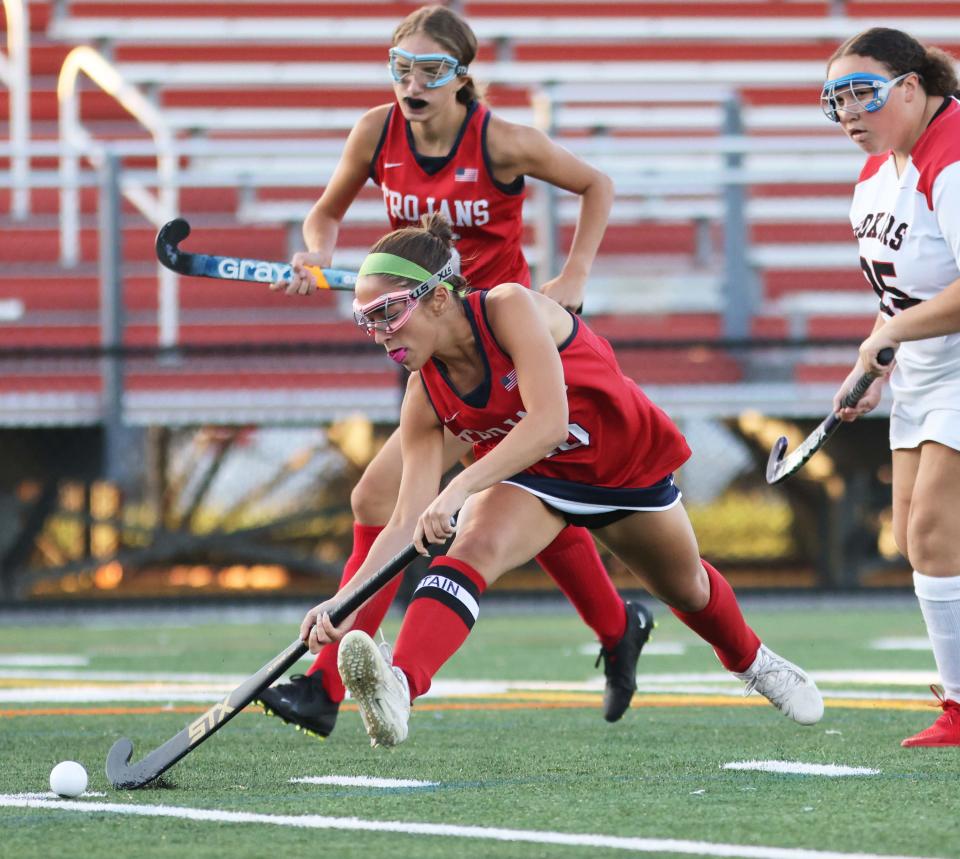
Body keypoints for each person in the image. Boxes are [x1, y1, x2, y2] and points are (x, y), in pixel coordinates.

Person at [257, 5, 647, 739]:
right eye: (400, 67)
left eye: (431, 69)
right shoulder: (376, 132)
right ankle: (616, 625)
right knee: (521, 497)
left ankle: (325, 682)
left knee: (385, 495)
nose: (413, 83)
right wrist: (314, 251)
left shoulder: (501, 140)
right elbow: (325, 214)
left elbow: (596, 184)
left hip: (496, 347)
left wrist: (574, 275)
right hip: (424, 342)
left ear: (463, 77)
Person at [299, 214, 824, 748]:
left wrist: (457, 488)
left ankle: (753, 662)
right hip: (535, 476)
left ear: (436, 298)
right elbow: (405, 520)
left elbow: (549, 422)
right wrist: (342, 603)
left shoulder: (508, 307)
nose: (380, 333)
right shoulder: (423, 393)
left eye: (388, 313)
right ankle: (401, 688)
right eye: (367, 321)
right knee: (472, 548)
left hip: (622, 463)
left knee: (686, 587)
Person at [823, 27, 960, 747]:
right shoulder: (878, 174)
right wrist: (868, 362)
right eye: (835, 98)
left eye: (863, 92)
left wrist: (890, 338)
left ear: (911, 86)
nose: (849, 110)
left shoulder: (955, 151)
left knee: (937, 535)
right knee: (913, 537)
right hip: (923, 372)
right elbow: (900, 297)